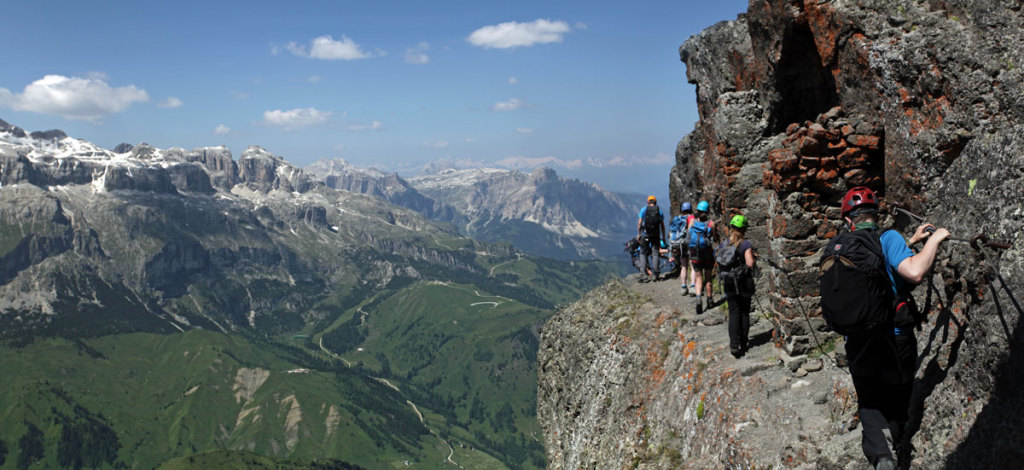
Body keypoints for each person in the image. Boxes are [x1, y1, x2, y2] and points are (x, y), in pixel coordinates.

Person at [834, 187, 949, 470]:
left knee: (870, 401)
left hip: (858, 342)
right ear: (876, 215)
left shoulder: (841, 246)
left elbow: (878, 265)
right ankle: (895, 451)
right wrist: (934, 240)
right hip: (894, 342)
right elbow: (914, 272)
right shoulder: (888, 238)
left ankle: (882, 456)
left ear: (848, 220)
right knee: (897, 402)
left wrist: (910, 241)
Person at [716, 214, 755, 358]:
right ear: (744, 229)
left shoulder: (723, 244)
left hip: (728, 282)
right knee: (744, 312)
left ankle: (733, 345)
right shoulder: (745, 244)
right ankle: (744, 343)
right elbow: (749, 263)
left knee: (733, 313)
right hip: (743, 283)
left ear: (731, 228)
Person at [687, 200, 715, 313]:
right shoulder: (711, 224)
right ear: (707, 211)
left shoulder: (692, 222)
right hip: (707, 254)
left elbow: (688, 237)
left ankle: (699, 300)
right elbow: (715, 238)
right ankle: (709, 300)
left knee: (699, 278)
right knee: (708, 278)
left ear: (698, 211)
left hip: (695, 254)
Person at [669, 202, 697, 295]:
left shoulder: (679, 218)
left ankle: (683, 287)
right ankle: (692, 287)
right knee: (693, 266)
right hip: (688, 244)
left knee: (684, 266)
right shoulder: (691, 218)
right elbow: (690, 231)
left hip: (680, 245)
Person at [637, 195, 667, 282]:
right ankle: (656, 274)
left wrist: (639, 234)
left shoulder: (644, 210)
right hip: (655, 235)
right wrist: (663, 237)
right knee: (655, 253)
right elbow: (662, 225)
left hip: (645, 234)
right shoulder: (659, 211)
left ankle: (643, 274)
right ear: (655, 202)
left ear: (648, 202)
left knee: (642, 253)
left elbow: (639, 223)